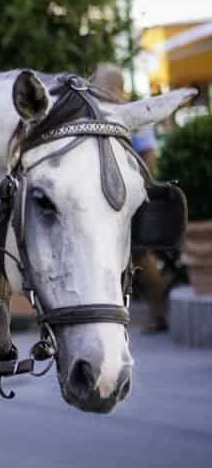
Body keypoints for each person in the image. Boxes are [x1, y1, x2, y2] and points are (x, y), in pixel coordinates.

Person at [91, 63, 168, 332]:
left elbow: (149, 155)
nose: (96, 89)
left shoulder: (131, 115)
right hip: (108, 201)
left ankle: (159, 316)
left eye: (99, 84)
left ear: (114, 87)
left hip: (130, 202)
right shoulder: (101, 113)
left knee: (140, 257)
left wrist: (138, 193)